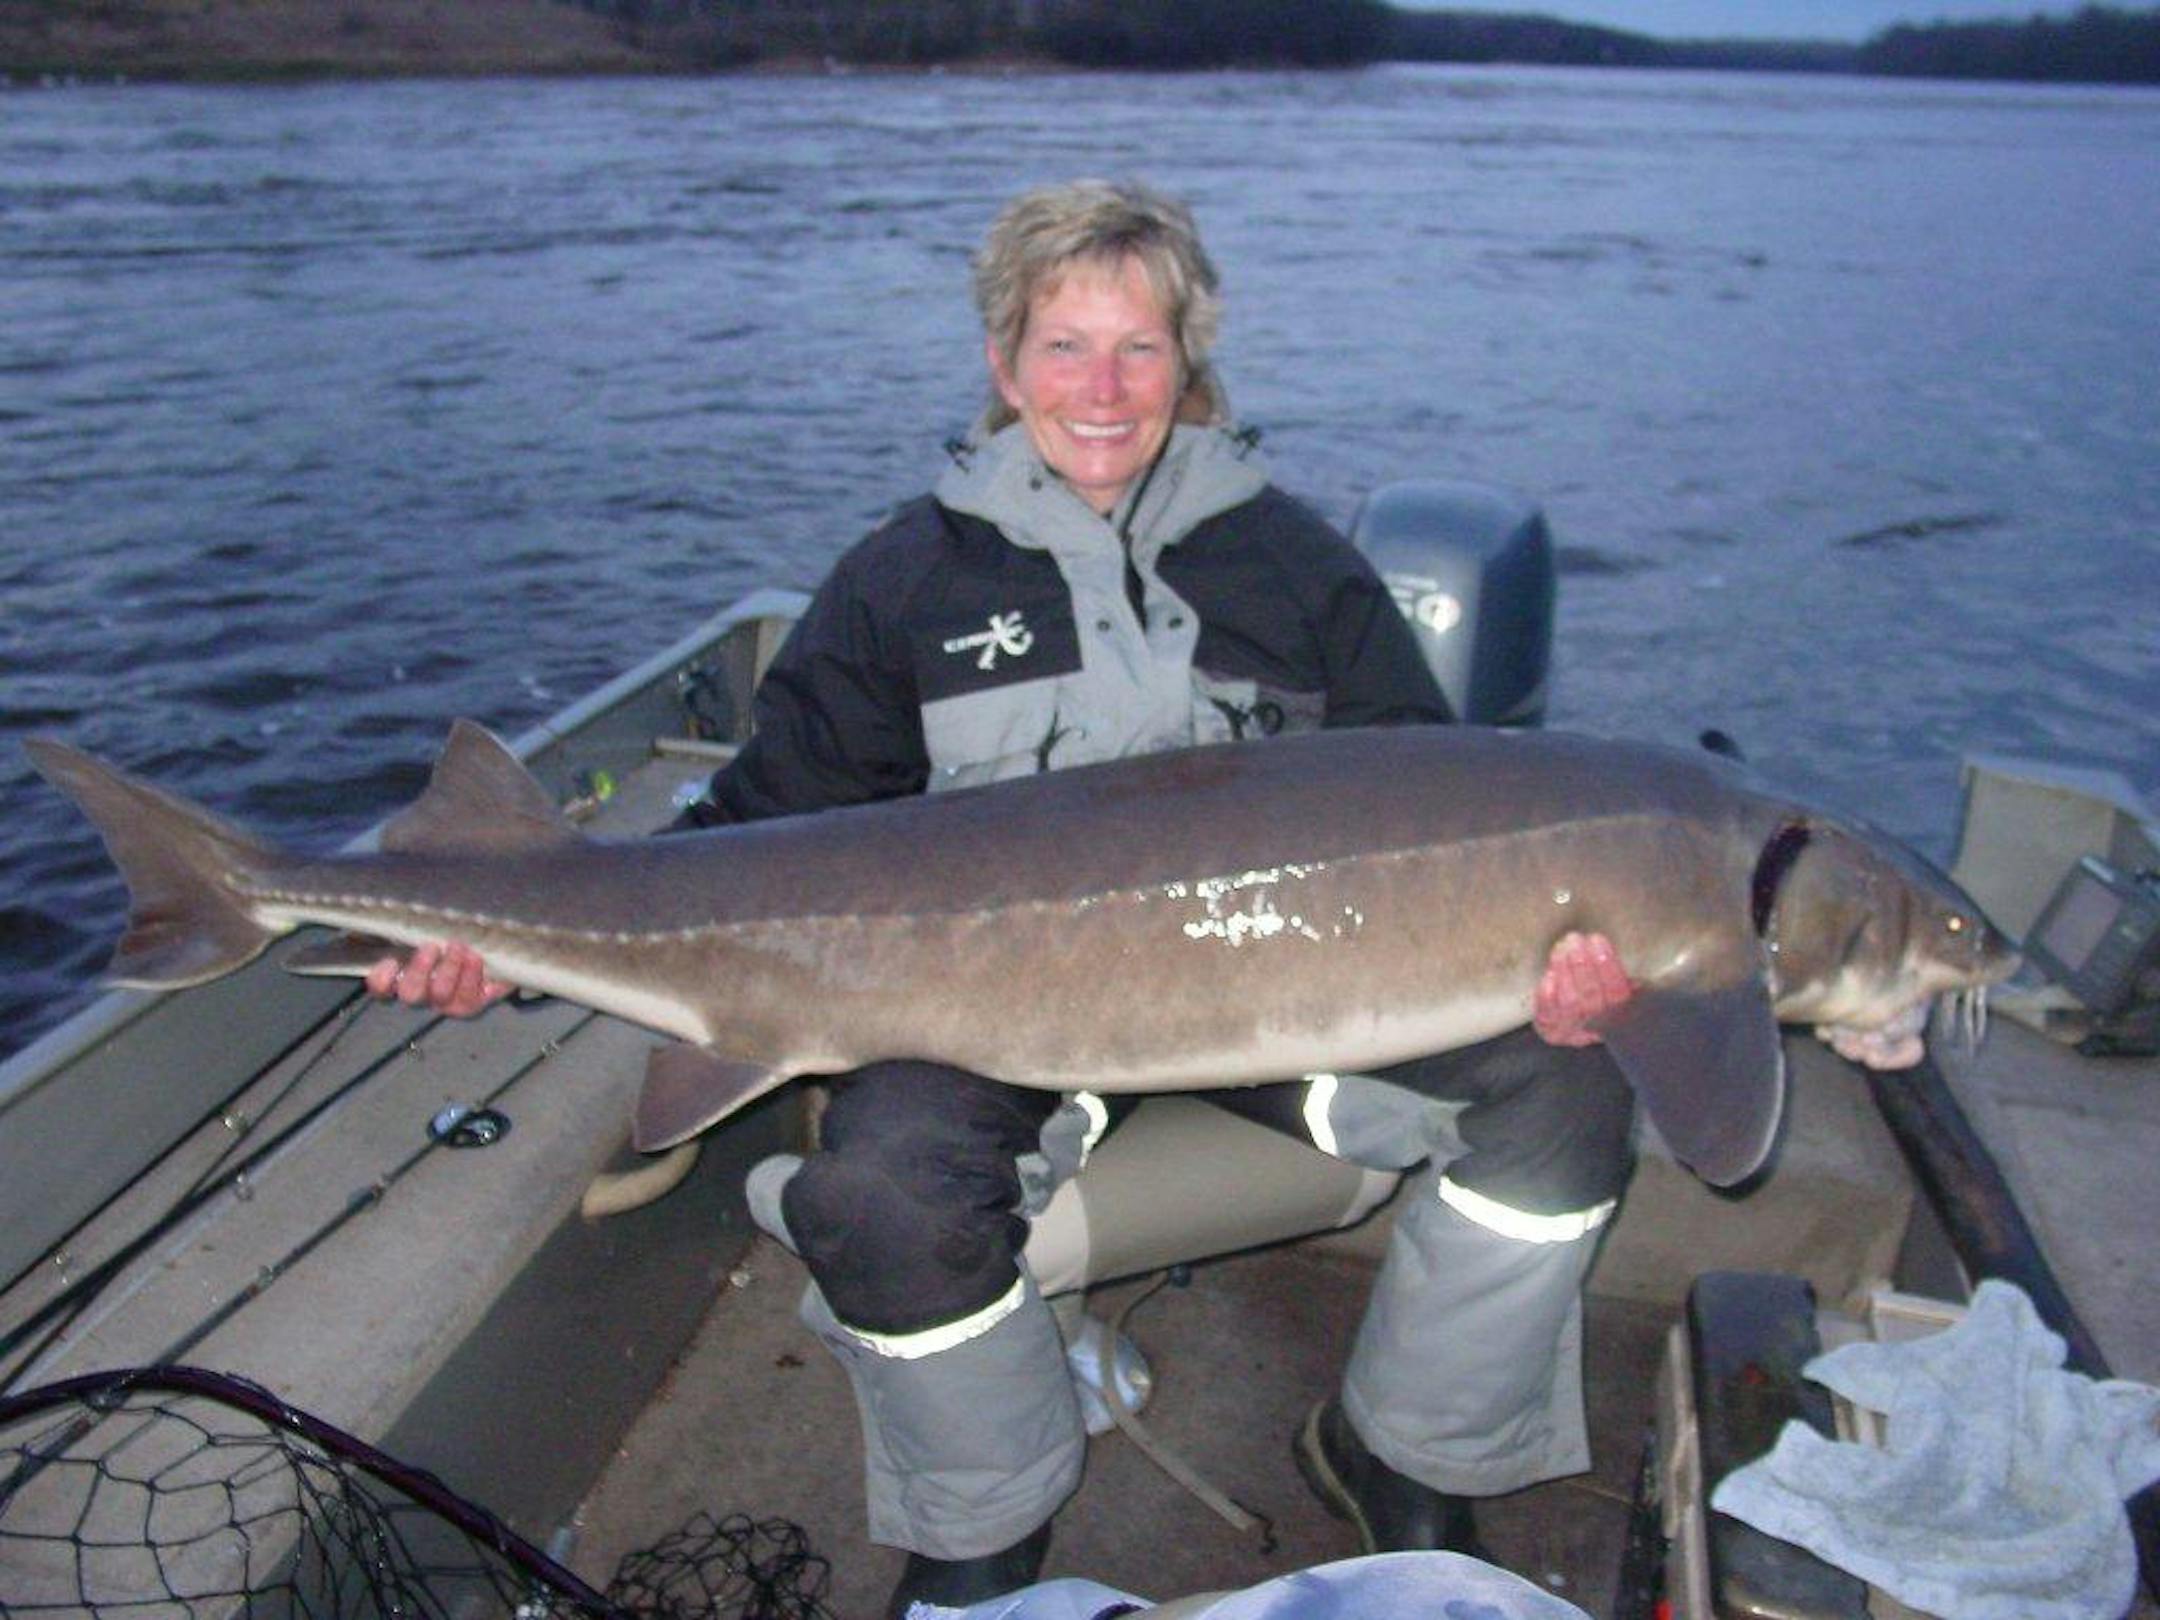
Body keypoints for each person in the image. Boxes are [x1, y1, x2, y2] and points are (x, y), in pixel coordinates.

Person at [366, 180, 1896, 1615]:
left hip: (1291, 1020)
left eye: (1139, 349)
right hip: (989, 1031)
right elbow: (755, 827)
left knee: (1566, 1097)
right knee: (878, 1187)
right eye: (1064, 347)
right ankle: (983, 1524)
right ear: (1003, 363)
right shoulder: (905, 583)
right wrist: (501, 924)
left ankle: (1410, 1450)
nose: (1102, 390)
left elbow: (1439, 795)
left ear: (1188, 364)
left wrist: (1582, 975)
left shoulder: (1295, 566)